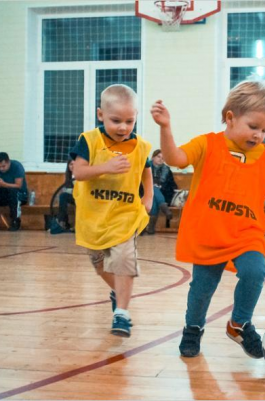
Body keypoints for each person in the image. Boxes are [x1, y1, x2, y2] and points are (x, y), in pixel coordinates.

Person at [150, 80, 265, 359]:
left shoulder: (263, 157)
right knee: (202, 289)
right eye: (254, 127)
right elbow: (175, 158)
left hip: (246, 231)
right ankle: (193, 327)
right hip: (210, 232)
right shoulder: (208, 144)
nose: (260, 135)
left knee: (255, 272)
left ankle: (239, 324)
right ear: (230, 118)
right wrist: (166, 128)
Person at [70, 84, 153, 337]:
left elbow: (146, 171)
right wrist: (106, 167)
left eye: (129, 121)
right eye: (116, 120)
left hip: (125, 215)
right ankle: (118, 293)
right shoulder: (88, 140)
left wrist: (148, 197)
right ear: (100, 115)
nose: (123, 127)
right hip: (93, 219)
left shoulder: (140, 146)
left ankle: (122, 314)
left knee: (123, 260)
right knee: (100, 265)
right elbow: (78, 172)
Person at [0, 152, 28, 232]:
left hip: (20, 194)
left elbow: (18, 185)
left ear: (8, 162)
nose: (1, 169)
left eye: (3, 166)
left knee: (13, 192)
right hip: (4, 193)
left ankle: (15, 221)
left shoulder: (17, 166)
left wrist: (4, 184)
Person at [144, 149, 178, 235]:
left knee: (155, 196)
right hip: (145, 192)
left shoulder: (167, 170)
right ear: (153, 157)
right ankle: (164, 208)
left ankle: (149, 228)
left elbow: (171, 185)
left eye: (163, 158)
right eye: (158, 157)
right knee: (153, 188)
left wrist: (160, 188)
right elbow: (140, 182)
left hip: (162, 193)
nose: (160, 159)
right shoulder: (145, 167)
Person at [50, 159, 76, 234]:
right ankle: (63, 222)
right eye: (71, 164)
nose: (72, 166)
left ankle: (62, 222)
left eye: (74, 164)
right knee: (63, 196)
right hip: (74, 197)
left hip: (82, 197)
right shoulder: (68, 176)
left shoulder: (80, 174)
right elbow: (67, 189)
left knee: (64, 196)